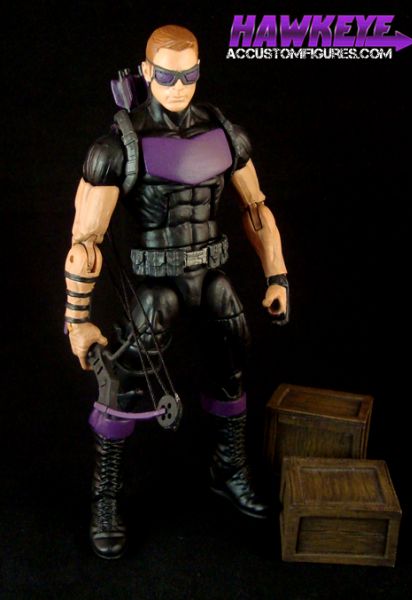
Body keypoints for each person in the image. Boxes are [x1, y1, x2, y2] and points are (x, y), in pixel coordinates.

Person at [64, 24, 289, 559]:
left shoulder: (222, 132)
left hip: (210, 276)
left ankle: (227, 469)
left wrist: (277, 276)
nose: (178, 87)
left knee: (232, 353)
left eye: (189, 75)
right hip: (156, 284)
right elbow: (85, 240)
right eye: (166, 76)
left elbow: (256, 208)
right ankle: (106, 497)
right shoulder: (119, 145)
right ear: (146, 72)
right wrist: (77, 318)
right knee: (122, 383)